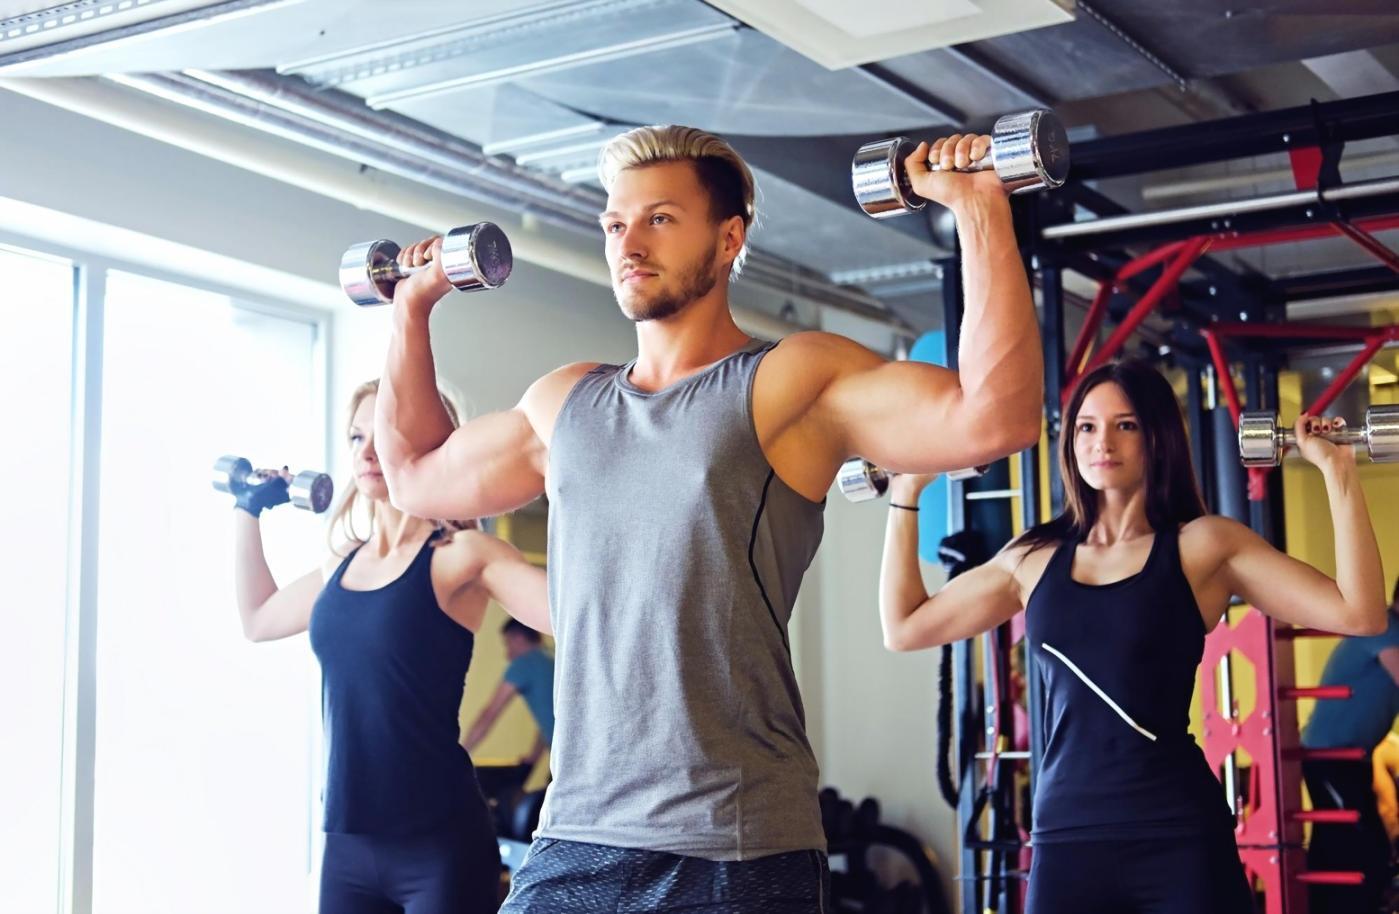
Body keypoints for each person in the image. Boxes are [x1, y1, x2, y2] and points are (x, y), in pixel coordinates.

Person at [374, 124, 1045, 912]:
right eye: (615, 224)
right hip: (578, 833)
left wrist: (977, 208)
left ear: (729, 239)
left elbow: (993, 419)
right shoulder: (565, 403)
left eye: (659, 218)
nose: (629, 242)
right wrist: (409, 311)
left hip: (735, 844)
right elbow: (414, 477)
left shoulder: (788, 380)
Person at [878, 359, 1387, 914]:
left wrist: (1337, 473)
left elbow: (1359, 614)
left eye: (1126, 425)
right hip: (1066, 838)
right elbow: (904, 627)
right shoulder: (1031, 559)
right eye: (1087, 427)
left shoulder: (1203, 547)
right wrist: (905, 495)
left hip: (1177, 834)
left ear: (1156, 437)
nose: (1103, 442)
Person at [231, 379, 549, 914]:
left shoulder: (460, 556)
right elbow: (258, 618)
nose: (368, 452)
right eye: (357, 438)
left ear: (431, 441)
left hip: (440, 845)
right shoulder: (342, 564)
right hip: (347, 844)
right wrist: (247, 510)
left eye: (383, 433)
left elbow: (583, 619)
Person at [1300, 576, 1399, 913]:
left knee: (1339, 840)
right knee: (1361, 840)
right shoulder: (1386, 628)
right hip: (1330, 756)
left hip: (1347, 757)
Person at [462, 618, 556, 769]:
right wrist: (532, 758)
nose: (508, 654)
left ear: (518, 638)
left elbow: (490, 714)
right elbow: (553, 715)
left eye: (507, 644)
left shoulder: (525, 663)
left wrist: (460, 755)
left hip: (573, 761)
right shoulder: (554, 657)